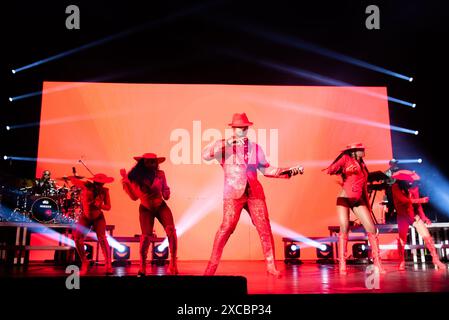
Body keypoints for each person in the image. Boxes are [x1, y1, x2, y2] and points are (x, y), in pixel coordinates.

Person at [202, 113, 303, 277]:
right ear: (233, 129)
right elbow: (205, 155)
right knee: (226, 228)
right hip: (233, 193)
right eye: (238, 128)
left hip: (254, 193)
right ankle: (210, 269)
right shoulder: (224, 147)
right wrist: (227, 142)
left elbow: (266, 169)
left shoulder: (256, 148)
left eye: (244, 128)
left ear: (247, 129)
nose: (241, 130)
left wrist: (288, 171)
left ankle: (271, 267)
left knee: (265, 228)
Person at [325, 143, 386, 274]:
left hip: (358, 200)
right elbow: (330, 169)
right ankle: (342, 264)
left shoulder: (363, 166)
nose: (363, 150)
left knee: (372, 229)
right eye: (360, 149)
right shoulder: (346, 159)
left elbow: (364, 189)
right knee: (345, 228)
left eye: (363, 148)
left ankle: (378, 264)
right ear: (353, 151)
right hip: (344, 199)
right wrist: (346, 169)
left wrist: (368, 208)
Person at [120, 153, 178, 276]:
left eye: (154, 162)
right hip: (146, 208)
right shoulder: (135, 178)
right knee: (146, 236)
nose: (152, 164)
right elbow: (134, 197)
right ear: (143, 163)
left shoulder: (160, 174)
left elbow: (165, 192)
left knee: (171, 230)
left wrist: (166, 191)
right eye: (149, 162)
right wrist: (126, 182)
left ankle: (173, 263)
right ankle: (142, 265)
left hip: (160, 206)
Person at [391, 170, 446, 270]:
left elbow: (418, 206)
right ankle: (401, 260)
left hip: (414, 215)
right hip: (402, 216)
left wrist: (424, 217)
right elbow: (404, 200)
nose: (411, 181)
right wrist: (420, 200)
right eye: (409, 180)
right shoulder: (395, 187)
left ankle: (436, 259)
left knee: (427, 237)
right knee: (402, 239)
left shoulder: (414, 187)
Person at [69, 173, 114, 275]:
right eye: (98, 183)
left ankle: (108, 264)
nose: (100, 185)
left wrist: (100, 205)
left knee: (102, 238)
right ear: (94, 181)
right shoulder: (86, 186)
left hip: (98, 217)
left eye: (102, 183)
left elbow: (108, 207)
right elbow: (74, 181)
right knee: (77, 238)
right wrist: (73, 177)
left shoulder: (105, 191)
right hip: (85, 217)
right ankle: (85, 262)